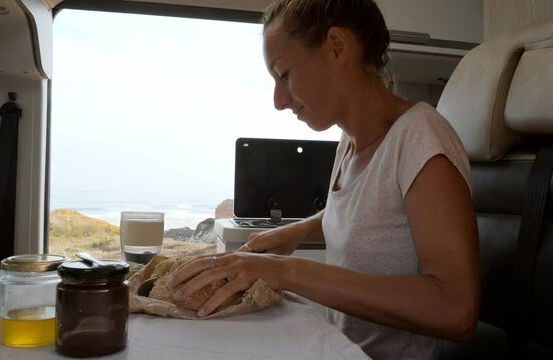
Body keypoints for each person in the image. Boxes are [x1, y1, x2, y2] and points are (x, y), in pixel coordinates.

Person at [168, 0, 480, 358]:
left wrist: (286, 271)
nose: (278, 101)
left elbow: (455, 310)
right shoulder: (350, 143)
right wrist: (299, 230)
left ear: (337, 47)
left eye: (283, 75)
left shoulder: (421, 139)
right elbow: (372, 212)